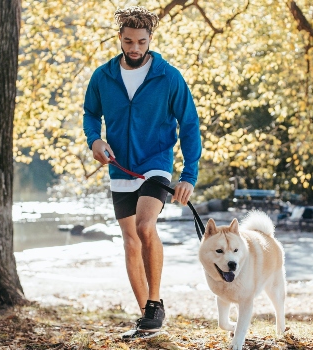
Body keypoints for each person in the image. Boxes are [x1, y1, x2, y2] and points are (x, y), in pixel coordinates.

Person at [82, 6, 202, 340]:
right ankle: (148, 322)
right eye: (129, 41)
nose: (134, 48)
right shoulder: (102, 76)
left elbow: (190, 124)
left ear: (151, 40)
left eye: (141, 41)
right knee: (131, 243)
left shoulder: (168, 76)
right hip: (120, 167)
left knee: (144, 225)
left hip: (155, 164)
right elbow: (90, 113)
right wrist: (95, 140)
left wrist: (188, 175)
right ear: (120, 38)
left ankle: (154, 302)